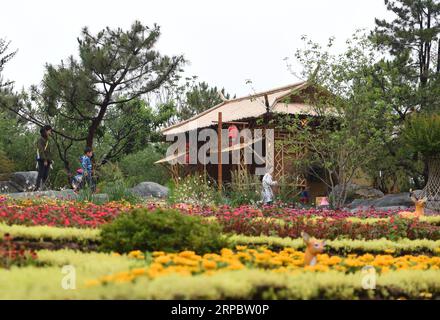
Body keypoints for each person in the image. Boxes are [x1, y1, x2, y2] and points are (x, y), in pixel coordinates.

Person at [34, 125, 53, 191]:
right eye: (50, 131)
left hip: (48, 160)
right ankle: (37, 188)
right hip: (42, 160)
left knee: (45, 175)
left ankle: (44, 188)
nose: (50, 132)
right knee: (41, 174)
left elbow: (48, 151)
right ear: (46, 131)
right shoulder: (40, 139)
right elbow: (41, 150)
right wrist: (44, 160)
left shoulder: (47, 140)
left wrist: (50, 160)